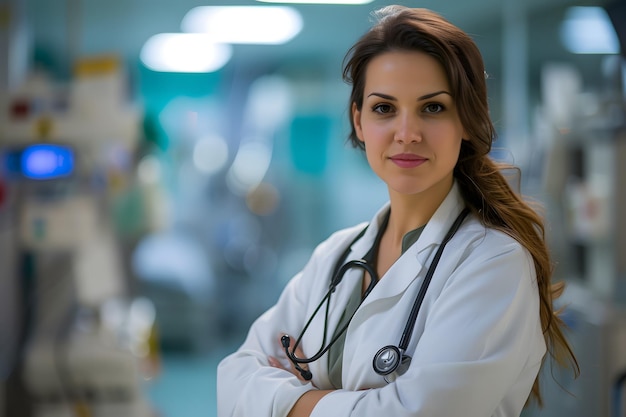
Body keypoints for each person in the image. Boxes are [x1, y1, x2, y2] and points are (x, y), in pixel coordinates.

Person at [217, 5, 579, 417]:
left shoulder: (493, 263)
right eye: (384, 108)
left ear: (466, 120)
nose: (406, 133)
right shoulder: (335, 256)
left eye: (433, 107)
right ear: (359, 121)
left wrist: (287, 400)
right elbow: (234, 378)